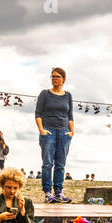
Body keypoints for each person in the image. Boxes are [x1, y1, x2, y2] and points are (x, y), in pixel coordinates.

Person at [35, 67, 74, 204]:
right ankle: (47, 193)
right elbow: (38, 114)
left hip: (64, 133)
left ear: (63, 79)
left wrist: (71, 132)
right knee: (47, 164)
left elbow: (70, 116)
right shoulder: (45, 94)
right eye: (52, 76)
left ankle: (58, 193)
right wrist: (42, 130)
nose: (54, 78)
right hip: (48, 132)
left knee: (61, 165)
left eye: (57, 76)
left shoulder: (68, 95)